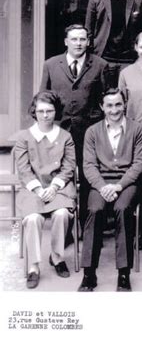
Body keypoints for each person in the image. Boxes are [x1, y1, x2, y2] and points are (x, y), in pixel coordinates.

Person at [78, 88, 142, 292]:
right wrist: (102, 186)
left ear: (124, 104)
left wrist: (119, 185)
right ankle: (89, 273)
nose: (114, 109)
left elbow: (139, 163)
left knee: (123, 210)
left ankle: (123, 273)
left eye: (118, 104)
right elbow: (88, 165)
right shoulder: (92, 131)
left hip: (127, 183)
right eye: (109, 105)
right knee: (94, 210)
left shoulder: (138, 129)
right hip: (100, 182)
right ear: (102, 107)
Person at [40, 24, 108, 229]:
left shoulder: (100, 65)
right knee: (61, 175)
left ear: (88, 42)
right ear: (66, 41)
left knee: (88, 176)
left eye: (82, 39)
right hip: (59, 132)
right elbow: (44, 98)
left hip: (88, 130)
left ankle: (88, 228)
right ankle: (64, 228)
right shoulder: (51, 65)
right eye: (74, 39)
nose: (78, 43)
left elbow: (105, 99)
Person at [15, 91, 76, 289]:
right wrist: (39, 189)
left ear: (56, 111)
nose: (45, 115)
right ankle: (33, 266)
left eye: (49, 110)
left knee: (61, 214)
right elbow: (23, 169)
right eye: (40, 111)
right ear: (34, 112)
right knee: (33, 218)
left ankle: (57, 257)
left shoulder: (65, 136)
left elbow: (69, 166)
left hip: (59, 187)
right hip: (33, 189)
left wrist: (55, 186)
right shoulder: (24, 137)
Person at [85, 0, 142, 87]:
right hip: (104, 59)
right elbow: (88, 33)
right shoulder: (95, 1)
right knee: (106, 97)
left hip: (130, 60)